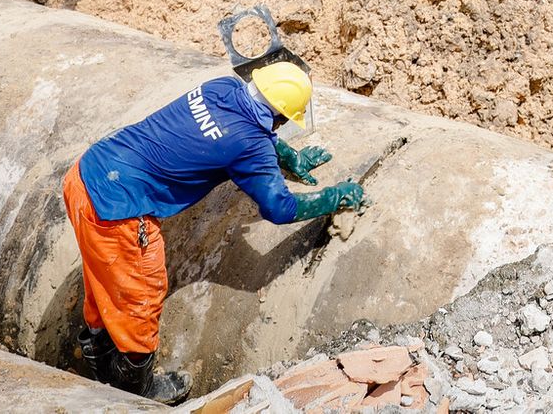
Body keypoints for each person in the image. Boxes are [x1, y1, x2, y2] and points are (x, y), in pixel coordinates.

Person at [63, 60, 367, 402]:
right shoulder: (250, 146)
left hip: (87, 174)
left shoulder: (220, 87)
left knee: (104, 278)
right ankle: (136, 386)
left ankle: (99, 354)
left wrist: (288, 157)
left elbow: (245, 126)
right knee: (142, 291)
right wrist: (334, 196)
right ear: (281, 117)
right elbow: (279, 208)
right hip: (119, 208)